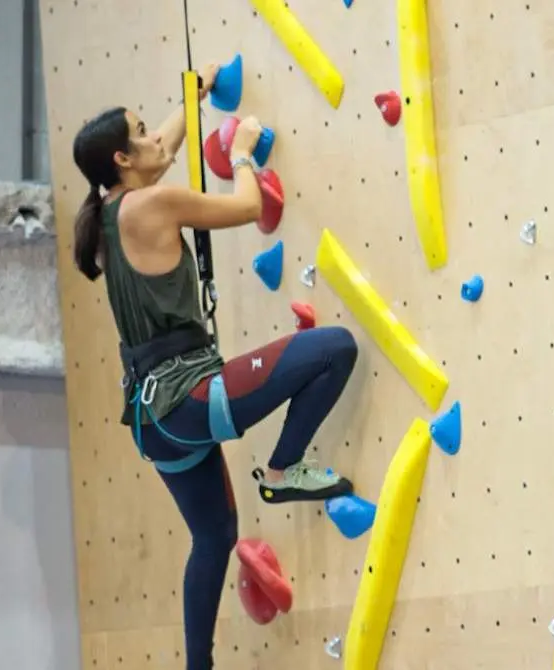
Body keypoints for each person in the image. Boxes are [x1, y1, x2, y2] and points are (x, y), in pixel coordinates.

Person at [71, 64, 358, 669]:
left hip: (154, 425)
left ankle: (197, 665)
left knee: (215, 538)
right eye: (142, 132)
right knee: (335, 348)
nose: (157, 139)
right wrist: (246, 152)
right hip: (191, 397)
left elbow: (166, 153)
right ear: (123, 160)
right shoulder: (156, 202)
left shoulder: (105, 218)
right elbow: (250, 205)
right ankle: (284, 469)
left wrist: (191, 98)